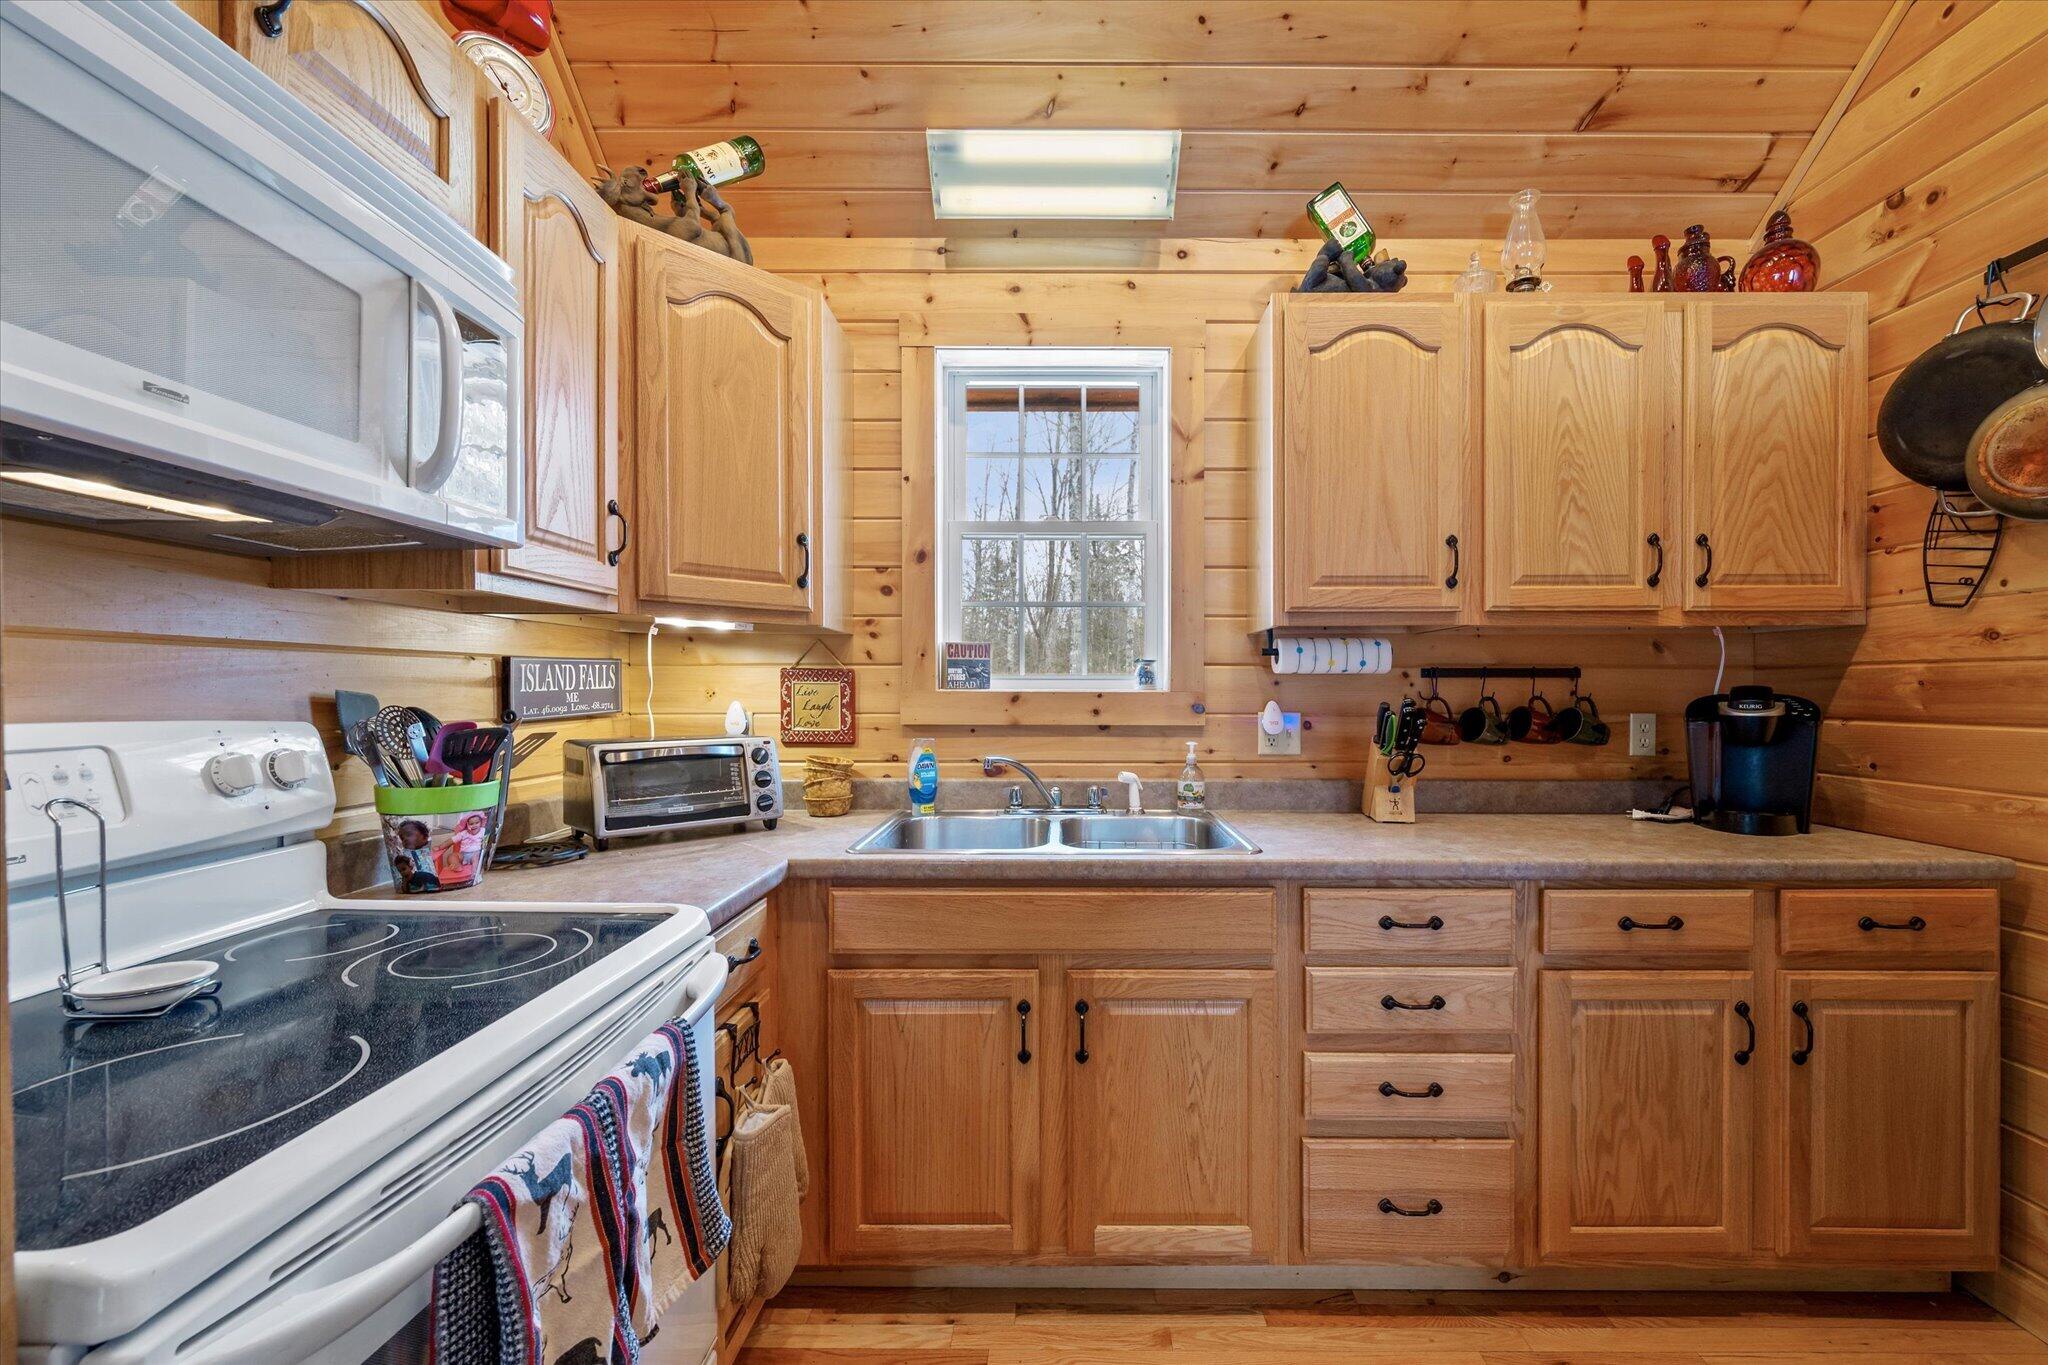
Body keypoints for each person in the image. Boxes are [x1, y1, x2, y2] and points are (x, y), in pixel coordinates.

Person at [390, 818, 441, 892]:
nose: (405, 839)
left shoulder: (431, 848)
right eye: (402, 838)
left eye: (409, 834)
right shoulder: (405, 854)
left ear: (425, 837)